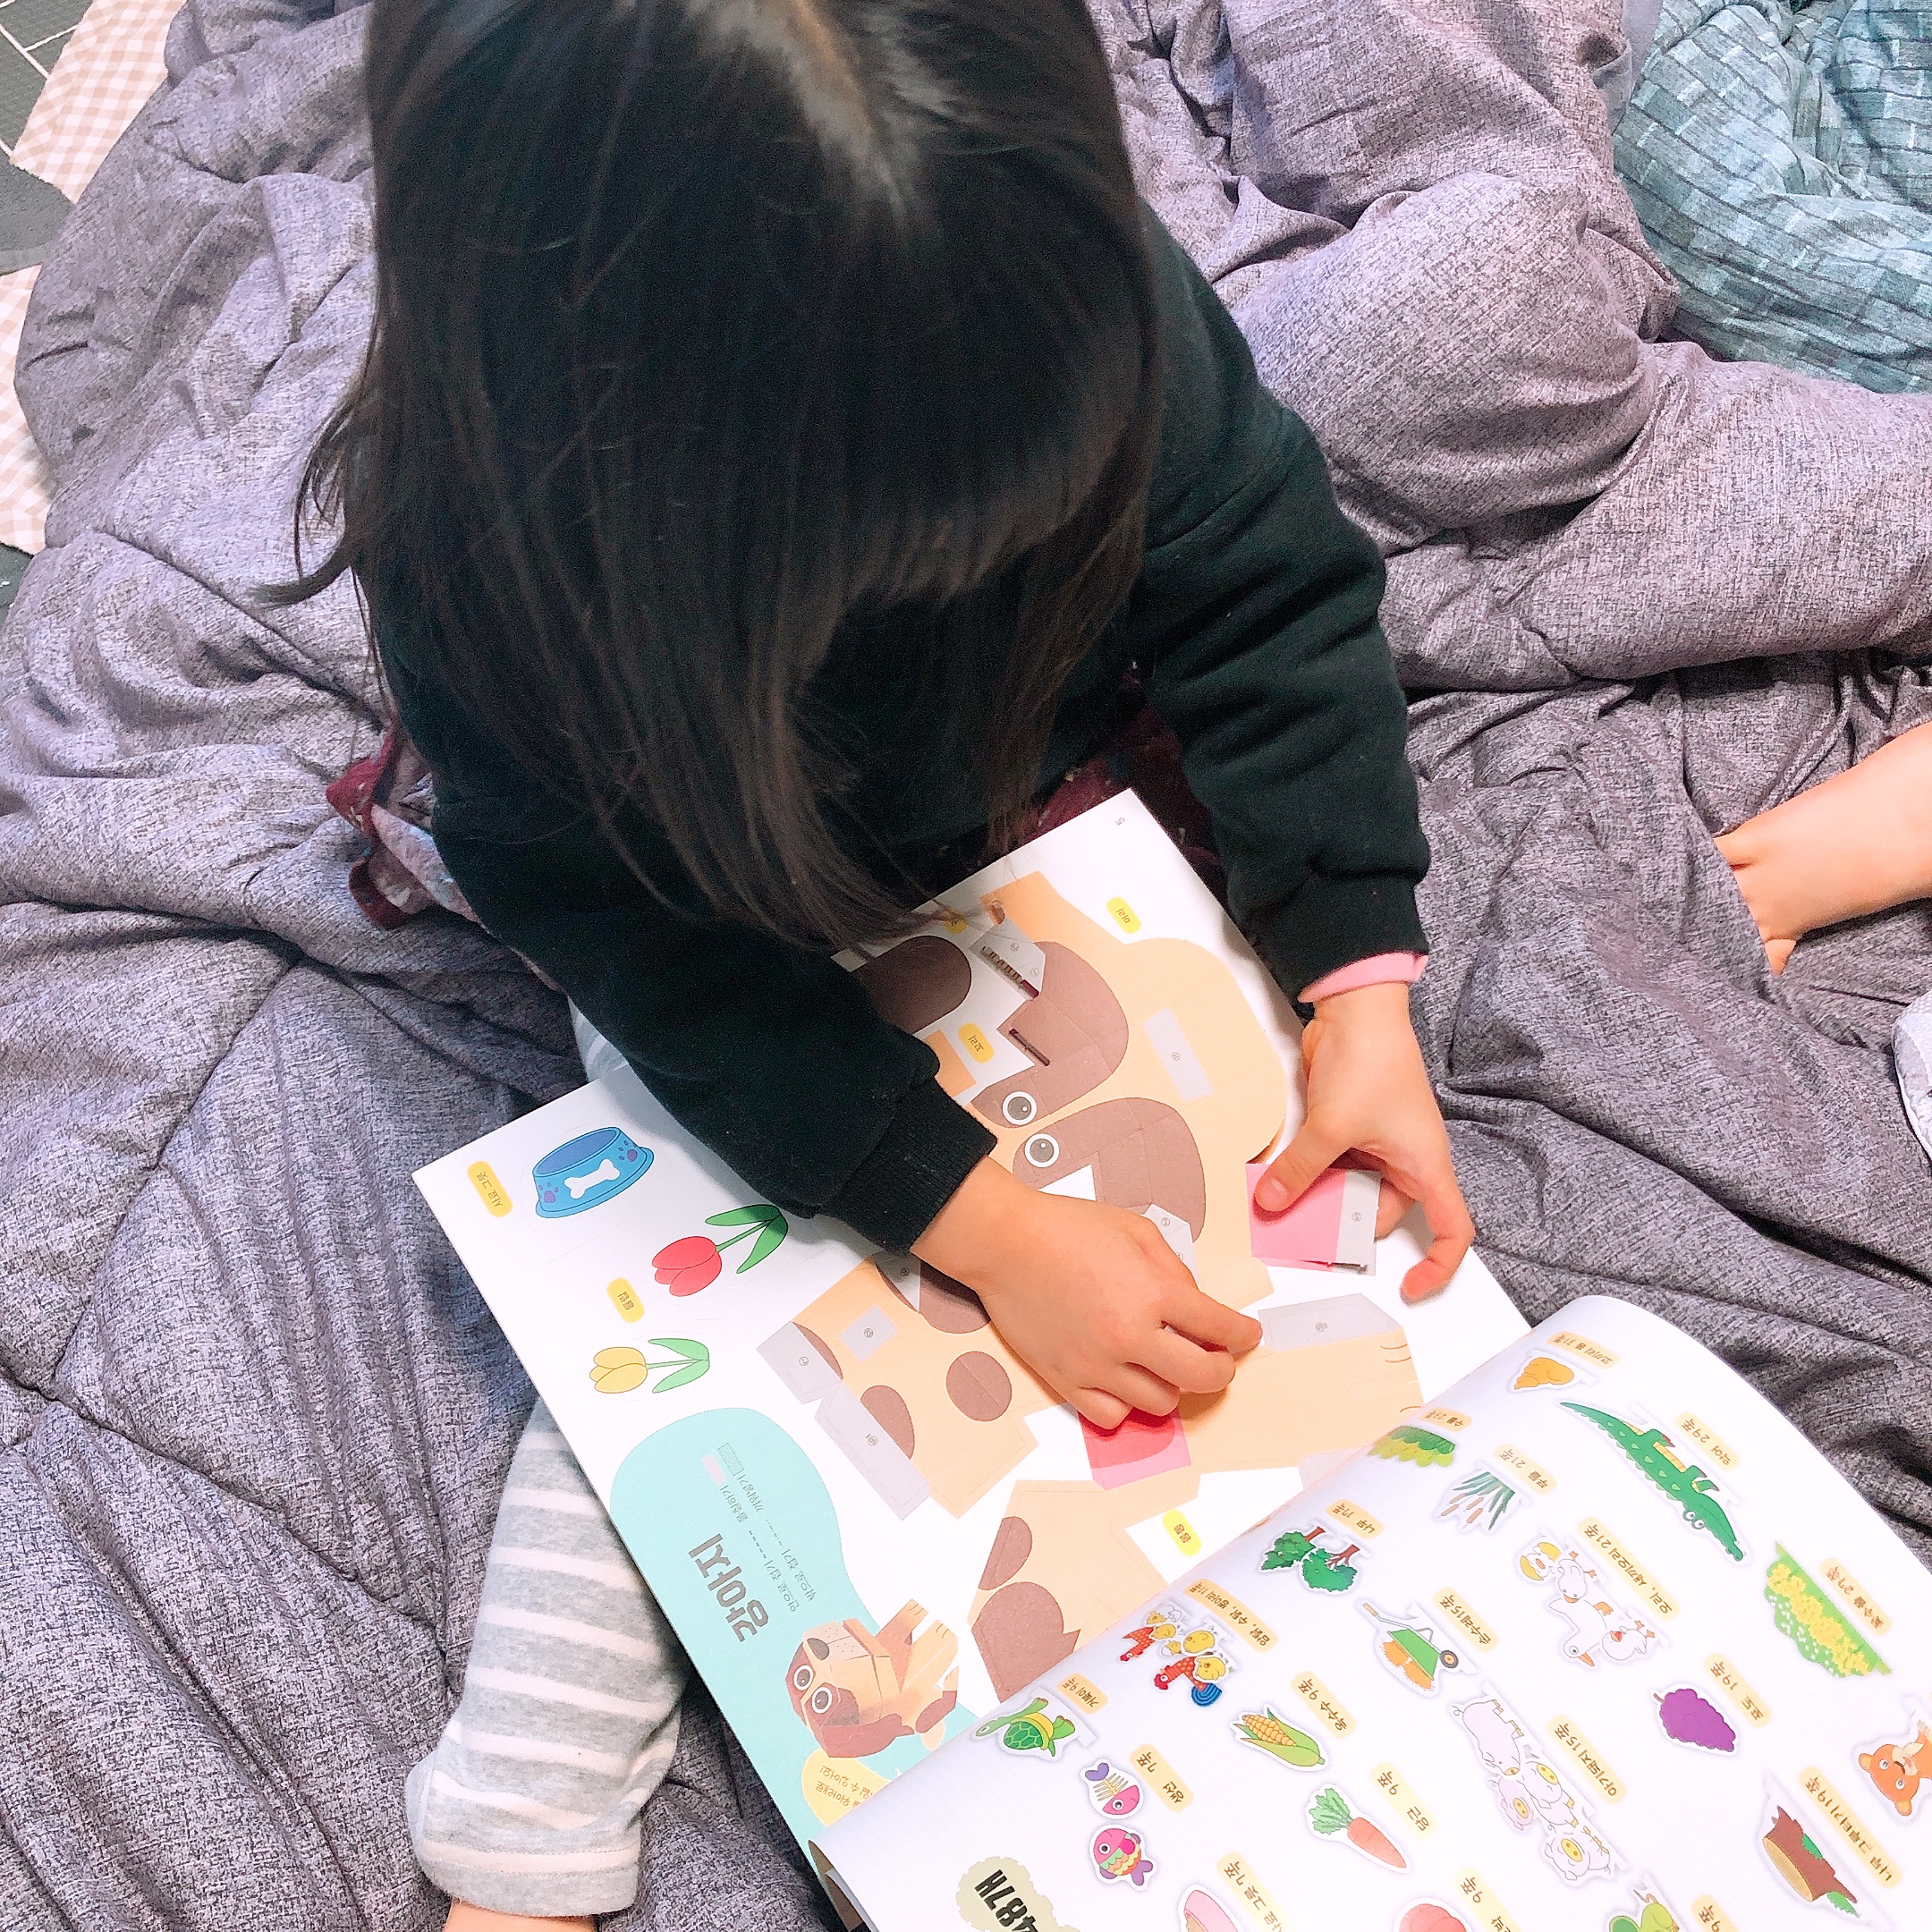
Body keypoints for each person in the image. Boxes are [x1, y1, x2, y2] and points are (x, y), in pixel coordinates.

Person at [295, 0, 1476, 1919]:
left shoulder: (1056, 279)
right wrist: (979, 1227)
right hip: (710, 898)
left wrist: (1358, 974)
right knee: (706, 1258)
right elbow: (658, 971)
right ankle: (523, 1832)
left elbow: (1269, 588)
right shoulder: (489, 572)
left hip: (1042, 801)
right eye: (890, 541)